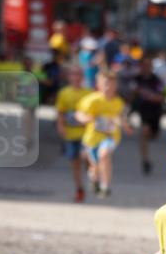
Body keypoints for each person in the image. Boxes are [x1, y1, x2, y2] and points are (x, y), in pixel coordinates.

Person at [76, 70, 130, 198]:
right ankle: (94, 179)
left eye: (112, 84)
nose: (109, 87)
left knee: (104, 155)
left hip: (111, 136)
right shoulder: (92, 100)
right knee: (95, 166)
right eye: (106, 84)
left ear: (116, 86)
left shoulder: (118, 102)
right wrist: (86, 119)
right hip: (92, 138)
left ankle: (105, 187)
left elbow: (121, 117)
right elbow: (79, 114)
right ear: (98, 84)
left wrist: (126, 127)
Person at [55, 64, 91, 202]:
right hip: (71, 134)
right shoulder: (64, 93)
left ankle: (92, 178)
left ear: (82, 77)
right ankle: (79, 189)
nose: (76, 77)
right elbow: (60, 112)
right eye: (73, 74)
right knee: (75, 163)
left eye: (78, 74)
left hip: (86, 134)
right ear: (69, 77)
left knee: (86, 158)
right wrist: (60, 126)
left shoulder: (88, 93)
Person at [131, 54, 165, 174]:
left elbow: (160, 97)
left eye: (148, 65)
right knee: (144, 133)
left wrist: (149, 95)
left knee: (154, 135)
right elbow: (132, 94)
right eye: (143, 65)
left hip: (155, 111)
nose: (146, 67)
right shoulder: (136, 79)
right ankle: (145, 160)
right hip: (143, 110)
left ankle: (151, 135)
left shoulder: (156, 80)